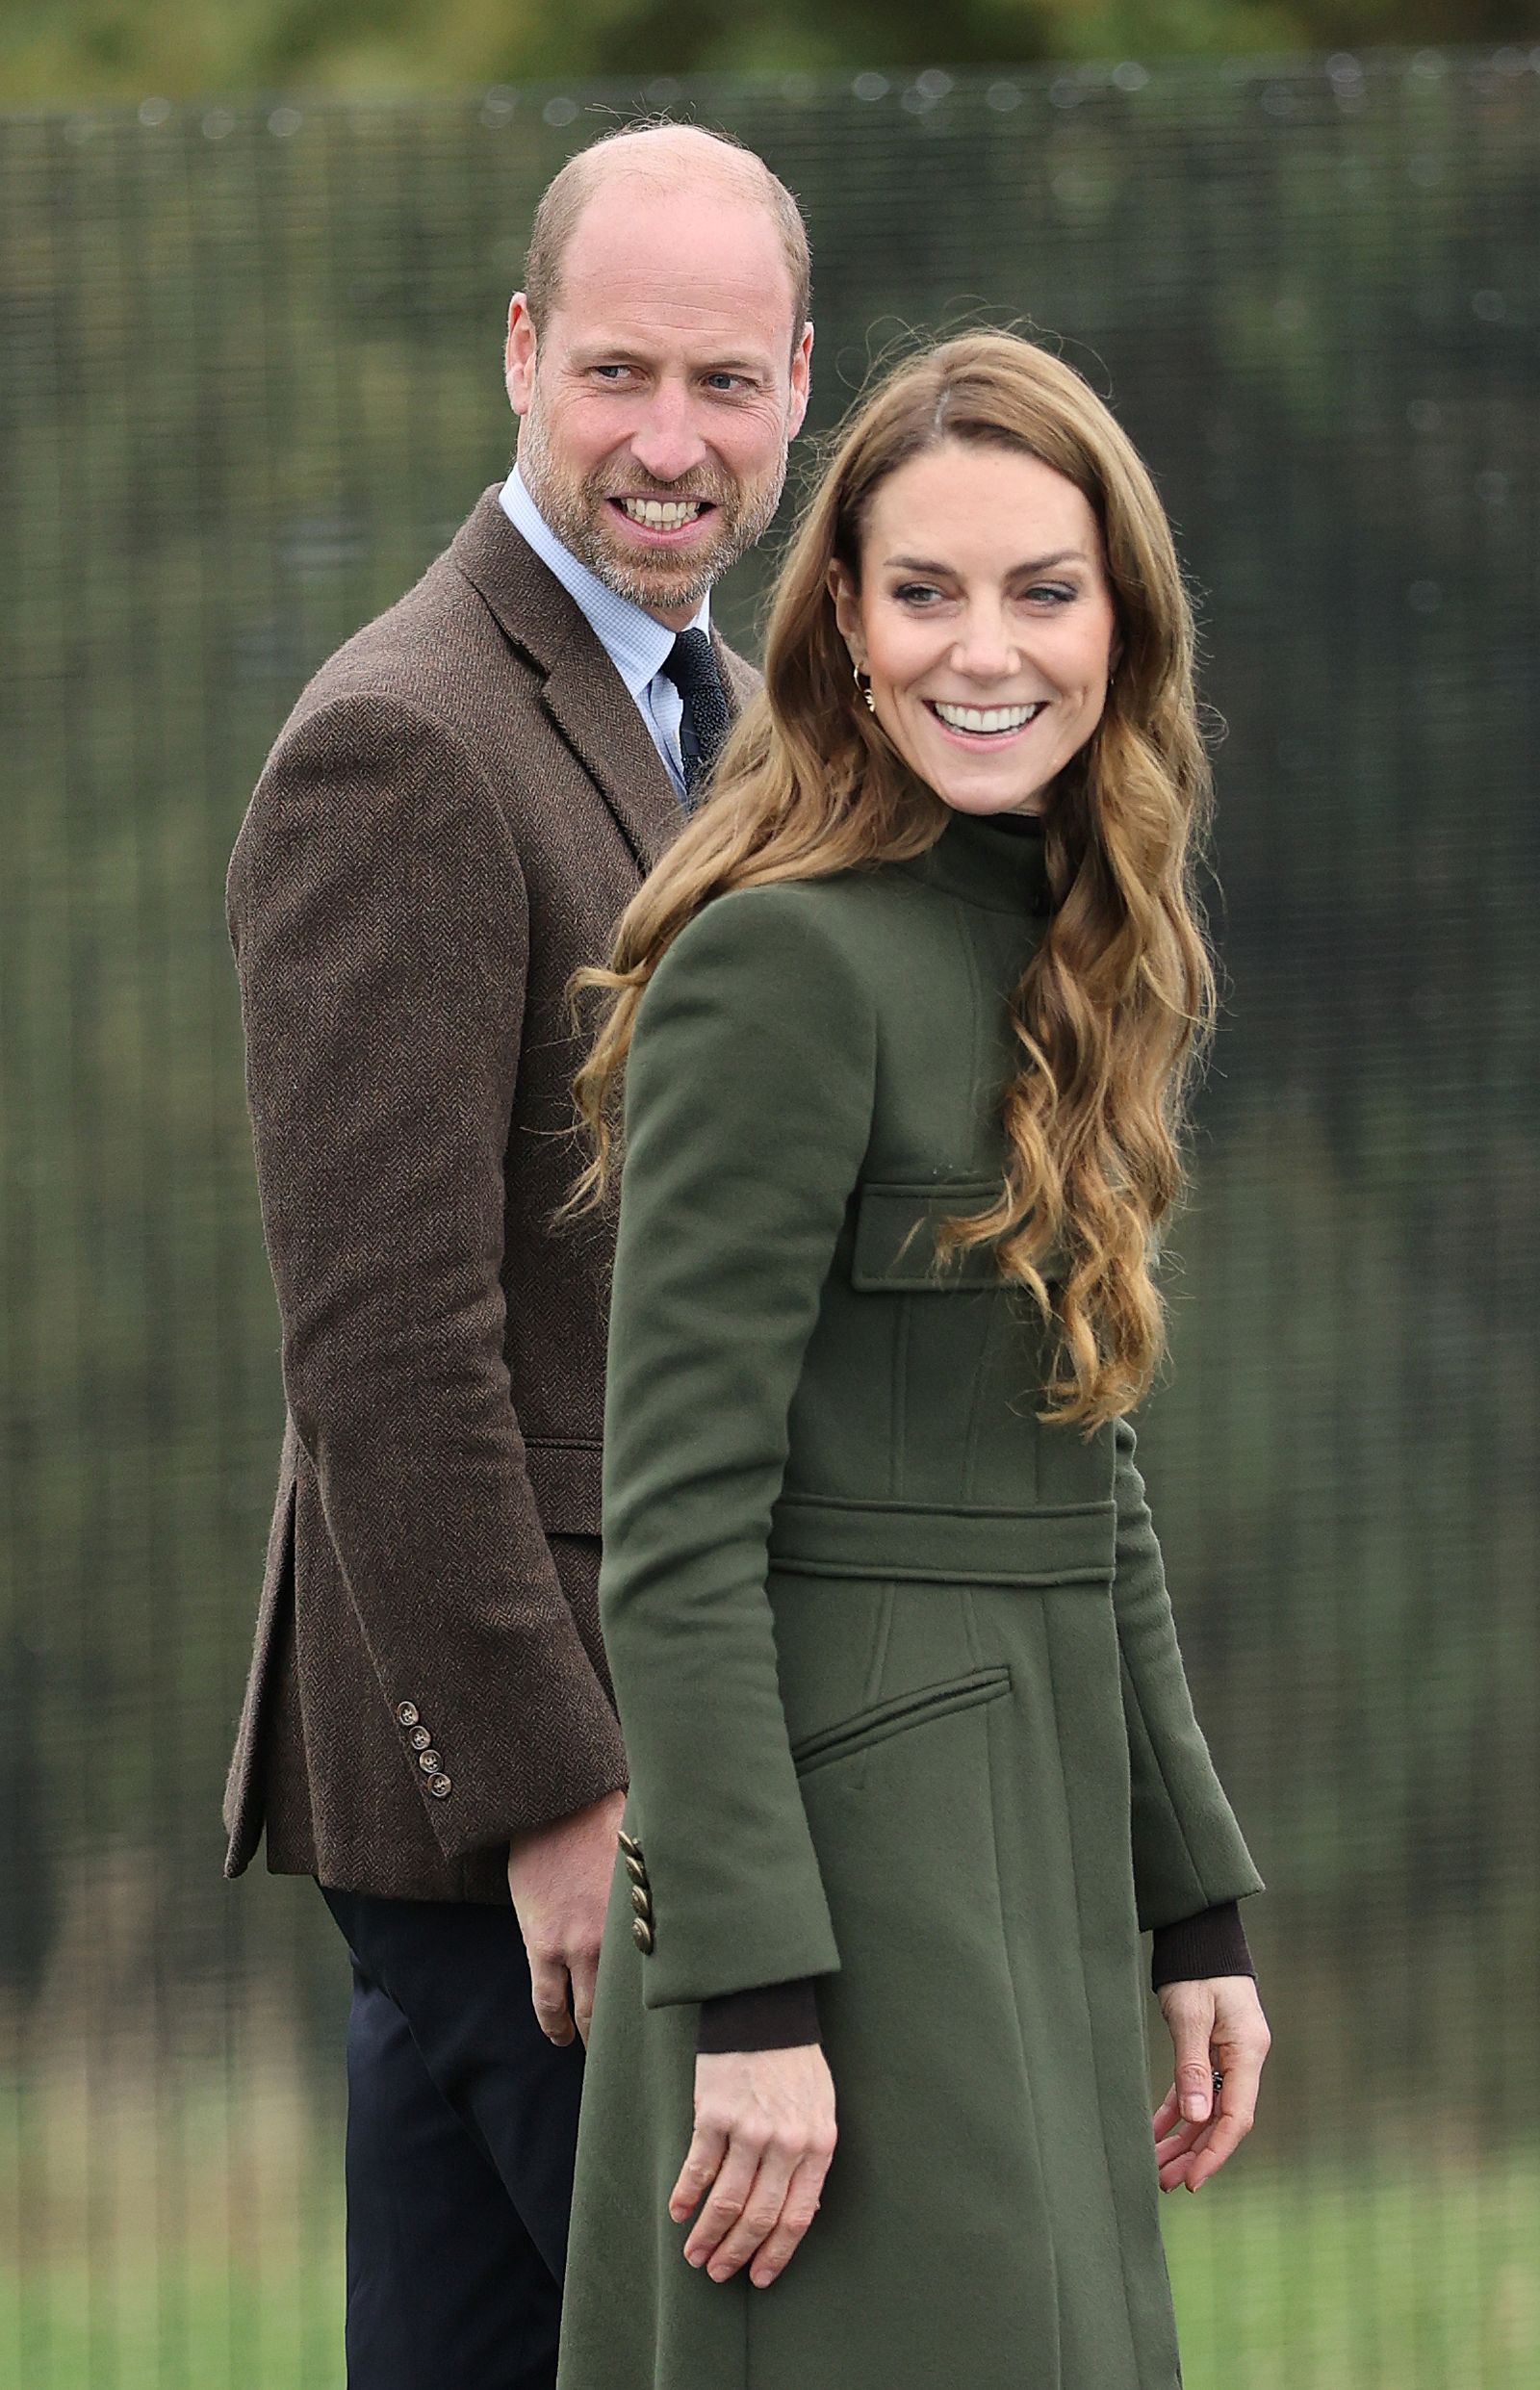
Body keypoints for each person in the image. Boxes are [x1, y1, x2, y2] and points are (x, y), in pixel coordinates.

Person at [559, 330, 1271, 2389]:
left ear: (1117, 623)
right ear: (844, 633)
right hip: (842, 1901)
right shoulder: (780, 961)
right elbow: (676, 1532)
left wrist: (1189, 1902)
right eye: (924, 592)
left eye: (1041, 592)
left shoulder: (1065, 942)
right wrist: (758, 1998)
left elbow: (1083, 1468)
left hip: (1030, 1841)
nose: (988, 650)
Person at [219, 122, 813, 2390]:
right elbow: (384, 1344)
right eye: (617, 374)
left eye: (727, 383)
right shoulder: (403, 742)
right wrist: (555, 1796)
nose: (671, 443)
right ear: (518, 355)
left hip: (606, 1772)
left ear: (791, 388)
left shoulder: (726, 718)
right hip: (537, 1800)